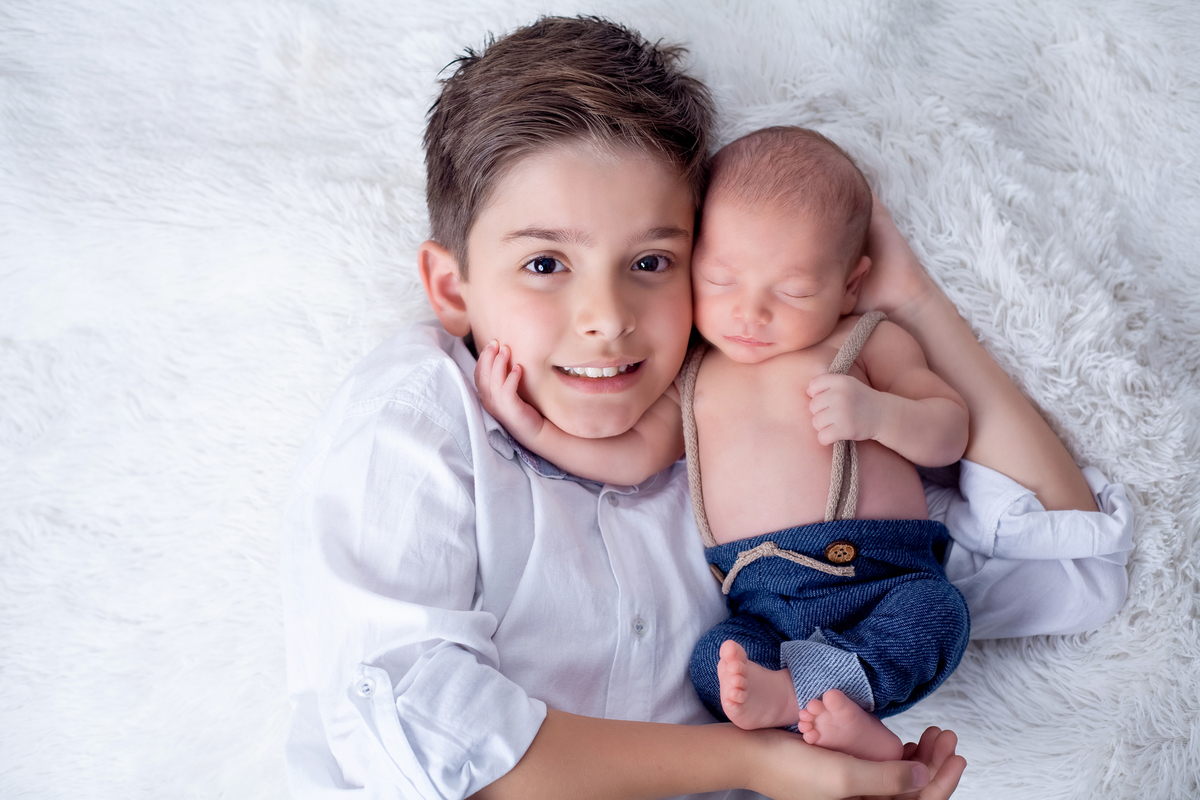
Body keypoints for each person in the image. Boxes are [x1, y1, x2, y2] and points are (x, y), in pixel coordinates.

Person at [280, 15, 1133, 800]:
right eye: (545, 264)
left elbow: (1068, 564)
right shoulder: (426, 412)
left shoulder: (736, 436)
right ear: (451, 287)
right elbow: (420, 726)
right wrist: (761, 762)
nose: (607, 318)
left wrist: (905, 299)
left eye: (652, 262)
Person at [478, 124, 972, 762]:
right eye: (720, 282)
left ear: (850, 285)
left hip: (883, 574)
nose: (751, 313)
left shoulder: (867, 342)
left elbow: (950, 431)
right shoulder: (693, 374)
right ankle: (828, 714)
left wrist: (880, 415)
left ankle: (821, 703)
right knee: (717, 663)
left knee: (938, 614)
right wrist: (531, 428)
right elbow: (631, 459)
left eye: (793, 291)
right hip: (762, 597)